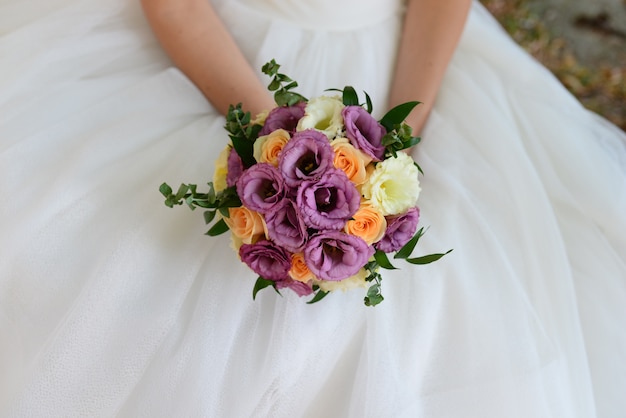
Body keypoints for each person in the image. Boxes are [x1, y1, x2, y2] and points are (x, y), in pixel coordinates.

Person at [0, 0, 624, 417]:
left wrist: (398, 144)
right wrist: (275, 144)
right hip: (220, 53)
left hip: (400, 63)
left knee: (465, 304)